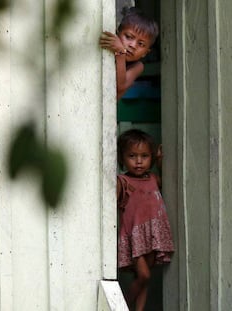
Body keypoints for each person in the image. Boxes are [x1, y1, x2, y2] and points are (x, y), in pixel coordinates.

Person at [116, 129, 174, 311]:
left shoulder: (154, 179)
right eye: (132, 156)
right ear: (122, 158)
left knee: (142, 281)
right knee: (144, 276)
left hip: (152, 233)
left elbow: (169, 180)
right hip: (135, 235)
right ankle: (121, 304)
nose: (139, 161)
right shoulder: (122, 181)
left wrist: (160, 161)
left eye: (144, 156)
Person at [99, 7, 159, 100]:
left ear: (145, 53)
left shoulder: (138, 66)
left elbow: (120, 86)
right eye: (128, 37)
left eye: (141, 44)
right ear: (117, 34)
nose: (133, 45)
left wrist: (120, 53)